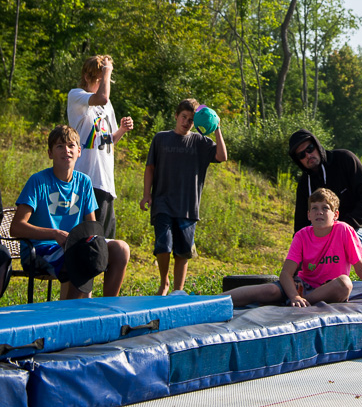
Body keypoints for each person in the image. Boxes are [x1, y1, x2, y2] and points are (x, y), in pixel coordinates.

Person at [10, 125, 130, 299]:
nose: (66, 150)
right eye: (60, 146)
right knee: (81, 257)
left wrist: (91, 244)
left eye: (71, 145)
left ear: (79, 151)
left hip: (74, 248)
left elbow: (92, 228)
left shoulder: (84, 182)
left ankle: (107, 309)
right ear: (50, 153)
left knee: (121, 249)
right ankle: (72, 315)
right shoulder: (38, 181)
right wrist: (54, 233)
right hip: (40, 249)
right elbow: (16, 227)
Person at [230, 187, 362, 308]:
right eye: (315, 208)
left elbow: (361, 268)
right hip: (303, 286)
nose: (320, 212)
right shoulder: (302, 235)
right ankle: (214, 301)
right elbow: (286, 273)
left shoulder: (344, 230)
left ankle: (296, 302)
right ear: (309, 215)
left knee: (344, 283)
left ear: (335, 214)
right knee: (270, 290)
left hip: (328, 289)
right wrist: (294, 295)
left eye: (325, 208)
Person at [140, 99, 227, 295]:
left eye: (190, 120)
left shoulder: (200, 142)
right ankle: (164, 283)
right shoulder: (161, 139)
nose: (186, 122)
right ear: (176, 116)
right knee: (163, 244)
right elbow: (150, 168)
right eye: (183, 117)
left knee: (183, 250)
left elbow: (222, 156)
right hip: (163, 202)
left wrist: (217, 128)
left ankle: (178, 291)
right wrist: (147, 194)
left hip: (188, 205)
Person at [67, 54, 134, 238]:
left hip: (105, 182)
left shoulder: (107, 105)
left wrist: (121, 130)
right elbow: (102, 97)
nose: (105, 82)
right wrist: (107, 69)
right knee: (85, 240)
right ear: (87, 78)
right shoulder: (76, 96)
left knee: (104, 243)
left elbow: (107, 140)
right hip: (85, 179)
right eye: (101, 78)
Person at [288, 130, 362, 246]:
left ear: (317, 145)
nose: (308, 155)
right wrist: (298, 244)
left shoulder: (345, 159)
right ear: (298, 160)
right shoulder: (305, 182)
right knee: (306, 247)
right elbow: (301, 221)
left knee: (337, 245)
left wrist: (346, 225)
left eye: (310, 149)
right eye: (301, 155)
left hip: (361, 223)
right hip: (324, 229)